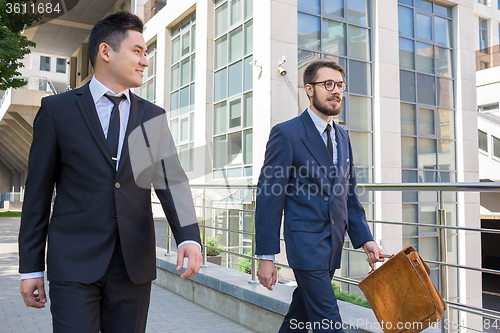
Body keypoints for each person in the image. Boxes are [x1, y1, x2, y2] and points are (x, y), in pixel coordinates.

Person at [18, 11, 202, 332]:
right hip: (73, 264)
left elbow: (171, 180)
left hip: (133, 265)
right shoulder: (58, 111)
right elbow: (37, 195)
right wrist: (30, 268)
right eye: (138, 51)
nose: (146, 61)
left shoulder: (151, 116)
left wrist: (188, 236)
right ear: (106, 52)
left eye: (146, 54)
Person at [255, 60, 384, 333]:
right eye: (328, 84)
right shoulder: (286, 133)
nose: (336, 90)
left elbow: (348, 195)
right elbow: (269, 197)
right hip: (306, 248)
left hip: (333, 246)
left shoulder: (342, 136)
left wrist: (366, 239)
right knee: (329, 323)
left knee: (299, 319)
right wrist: (266, 256)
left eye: (340, 85)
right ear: (309, 90)